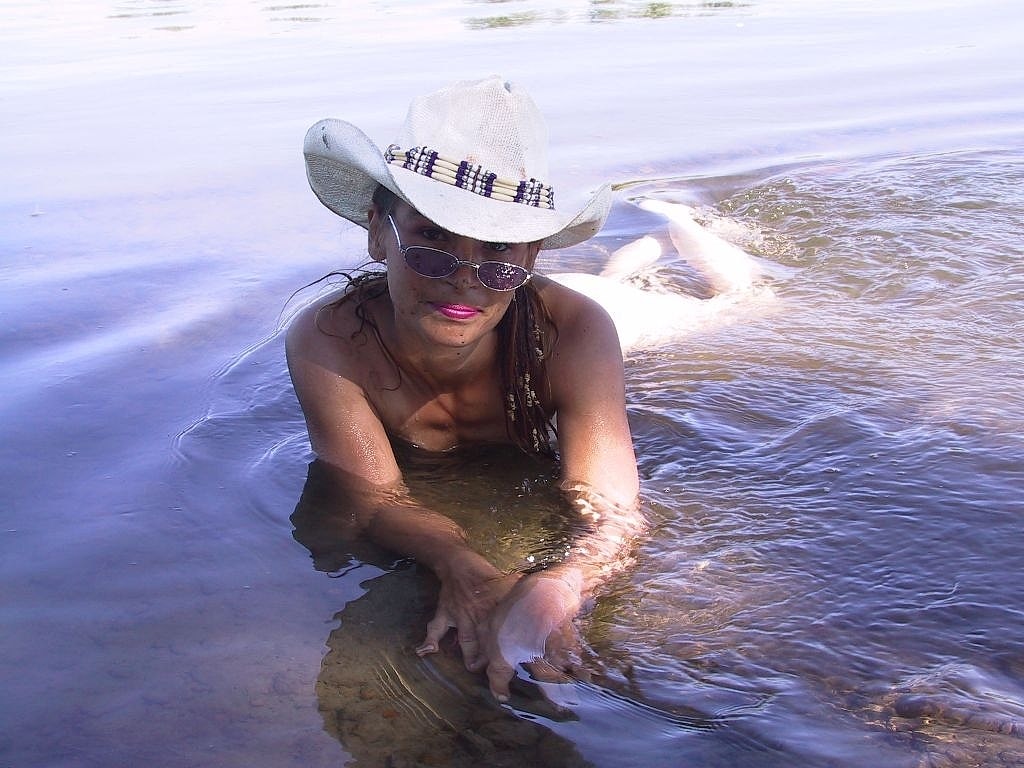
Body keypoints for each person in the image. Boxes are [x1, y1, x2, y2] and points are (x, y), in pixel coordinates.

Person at [287, 75, 645, 703]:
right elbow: (372, 495)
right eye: (432, 241)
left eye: (499, 252)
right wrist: (459, 562)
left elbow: (613, 509)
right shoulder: (329, 340)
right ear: (378, 233)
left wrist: (562, 585)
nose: (466, 279)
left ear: (532, 257)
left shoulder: (577, 332)